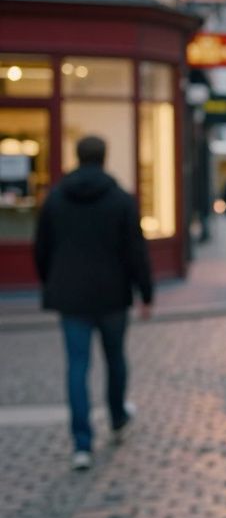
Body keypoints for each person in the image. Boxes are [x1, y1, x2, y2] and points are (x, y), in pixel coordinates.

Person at [34, 135, 153, 471]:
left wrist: (52, 281)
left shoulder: (56, 198)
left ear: (77, 156)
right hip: (113, 294)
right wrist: (145, 292)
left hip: (70, 295)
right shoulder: (120, 199)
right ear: (104, 157)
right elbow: (136, 250)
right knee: (115, 359)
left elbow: (41, 247)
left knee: (77, 366)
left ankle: (81, 443)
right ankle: (116, 417)